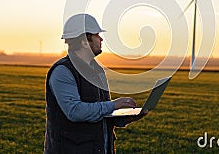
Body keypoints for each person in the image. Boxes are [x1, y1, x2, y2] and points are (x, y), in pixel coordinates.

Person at [44, 13, 145, 154]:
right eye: (97, 35)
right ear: (85, 41)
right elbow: (74, 112)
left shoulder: (97, 70)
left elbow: (101, 113)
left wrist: (127, 116)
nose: (101, 39)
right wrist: (114, 104)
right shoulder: (63, 71)